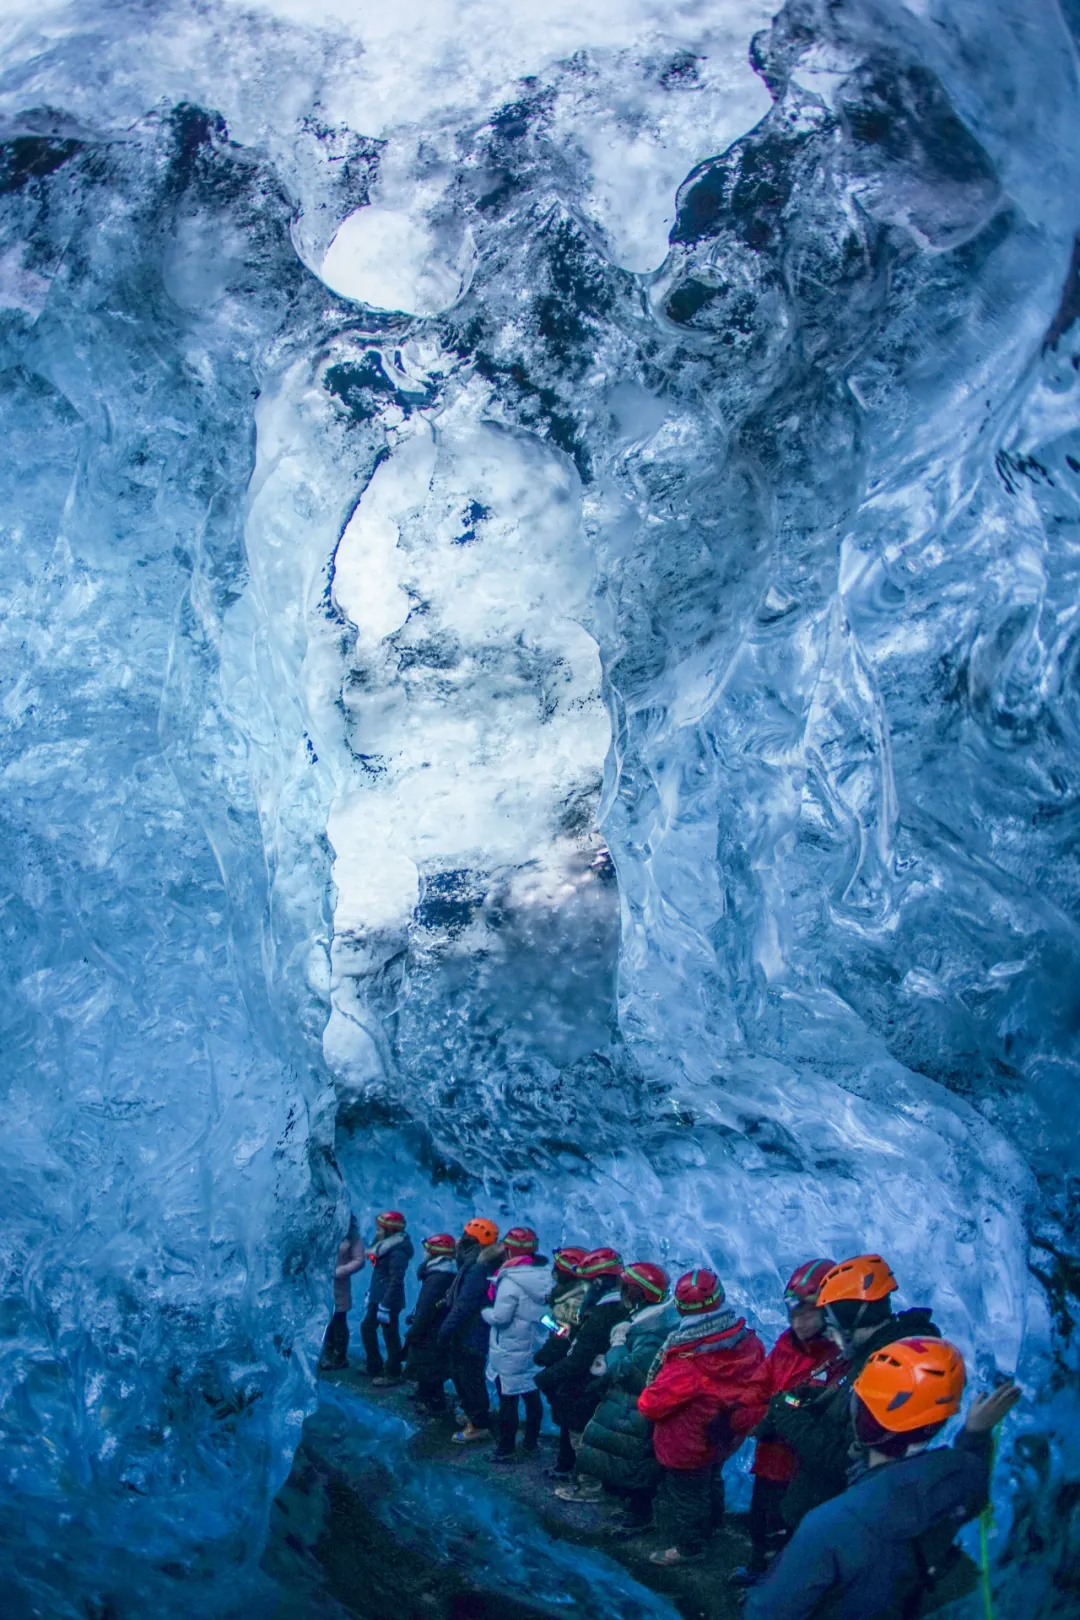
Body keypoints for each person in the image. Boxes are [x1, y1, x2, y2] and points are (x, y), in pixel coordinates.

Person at [745, 1340, 1021, 1620]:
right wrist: (976, 1434)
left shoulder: (830, 1524)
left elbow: (766, 1612)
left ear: (860, 1417)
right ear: (937, 1423)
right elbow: (972, 1473)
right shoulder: (959, 1476)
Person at [760, 1254, 941, 1529]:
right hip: (833, 1512)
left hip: (833, 1519)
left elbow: (842, 1458)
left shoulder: (886, 1368)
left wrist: (786, 1414)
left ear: (848, 1318)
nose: (830, 1336)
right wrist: (819, 1400)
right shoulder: (878, 1354)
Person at [637, 1268, 765, 1567]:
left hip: (687, 1443)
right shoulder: (748, 1342)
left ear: (681, 1308)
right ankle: (714, 1525)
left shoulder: (688, 1360)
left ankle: (689, 1547)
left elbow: (651, 1405)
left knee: (687, 1495)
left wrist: (644, 1395)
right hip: (723, 1433)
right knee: (712, 1479)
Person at [729, 1258, 842, 1584]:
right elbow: (757, 1389)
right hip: (770, 1460)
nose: (800, 1321)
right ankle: (757, 1571)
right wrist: (748, 1417)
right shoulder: (785, 1345)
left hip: (802, 1468)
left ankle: (778, 1588)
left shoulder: (836, 1359)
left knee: (790, 1530)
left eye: (808, 1313)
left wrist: (770, 1418)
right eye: (795, 1313)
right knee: (761, 1519)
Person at [569, 1262, 677, 1532]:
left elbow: (629, 1373)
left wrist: (616, 1345)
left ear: (641, 1294)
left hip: (636, 1407)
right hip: (628, 1406)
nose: (622, 1293)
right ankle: (630, 1507)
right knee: (628, 1457)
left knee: (637, 1461)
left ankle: (640, 1517)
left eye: (627, 1288)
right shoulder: (650, 1321)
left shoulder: (651, 1332)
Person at [535, 1247, 629, 1483]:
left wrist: (546, 1377)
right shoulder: (618, 1308)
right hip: (595, 1382)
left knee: (580, 1434)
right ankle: (569, 1468)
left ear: (598, 1282)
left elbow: (579, 1357)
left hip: (585, 1385)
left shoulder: (600, 1314)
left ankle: (587, 1484)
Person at [482, 1226, 551, 1462]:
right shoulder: (545, 1275)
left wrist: (485, 1313)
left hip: (510, 1349)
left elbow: (501, 1318)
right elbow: (546, 1316)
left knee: (508, 1400)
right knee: (532, 1396)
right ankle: (531, 1443)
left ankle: (505, 1449)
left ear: (510, 1252)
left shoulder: (510, 1281)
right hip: (534, 1346)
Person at [438, 1216, 501, 1443]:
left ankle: (478, 1424)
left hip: (471, 1333)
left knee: (469, 1377)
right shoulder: (478, 1261)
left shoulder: (478, 1268)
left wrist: (445, 1330)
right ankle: (474, 1415)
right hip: (474, 1331)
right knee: (465, 1374)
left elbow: (464, 1304)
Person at [403, 1232, 457, 1414]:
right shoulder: (445, 1273)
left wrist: (414, 1331)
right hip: (436, 1328)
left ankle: (430, 1402)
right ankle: (429, 1396)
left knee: (427, 1366)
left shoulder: (437, 1277)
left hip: (430, 1330)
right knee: (433, 1365)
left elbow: (427, 1308)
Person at [361, 1210, 414, 1385]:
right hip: (379, 1297)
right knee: (368, 1329)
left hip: (388, 1300)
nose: (377, 1232)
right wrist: (371, 1293)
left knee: (390, 1335)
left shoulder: (397, 1252)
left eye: (380, 1229)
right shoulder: (384, 1247)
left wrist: (385, 1305)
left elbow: (395, 1280)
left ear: (389, 1231)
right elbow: (380, 1275)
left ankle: (393, 1372)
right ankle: (375, 1365)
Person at [319, 1214, 366, 1371]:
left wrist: (340, 1271)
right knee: (326, 1320)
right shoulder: (327, 1233)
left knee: (338, 1321)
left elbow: (359, 1261)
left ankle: (339, 1356)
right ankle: (327, 1351)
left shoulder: (353, 1237)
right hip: (324, 1282)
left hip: (339, 1284)